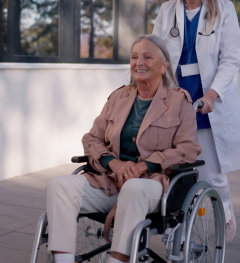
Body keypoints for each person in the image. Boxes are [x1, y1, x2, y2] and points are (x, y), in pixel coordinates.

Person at [45, 34, 201, 263]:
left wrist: (143, 166)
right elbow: (91, 138)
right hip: (110, 181)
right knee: (59, 185)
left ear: (164, 66)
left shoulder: (179, 101)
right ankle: (64, 261)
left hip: (152, 186)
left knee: (135, 188)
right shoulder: (119, 97)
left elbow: (188, 149)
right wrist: (113, 163)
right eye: (134, 57)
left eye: (147, 57)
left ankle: (117, 260)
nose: (139, 63)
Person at [152, 0, 240, 242]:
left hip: (208, 102)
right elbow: (156, 54)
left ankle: (226, 216)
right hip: (175, 101)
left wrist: (211, 95)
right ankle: (177, 234)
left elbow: (230, 60)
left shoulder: (223, 9)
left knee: (212, 174)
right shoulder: (167, 10)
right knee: (175, 172)